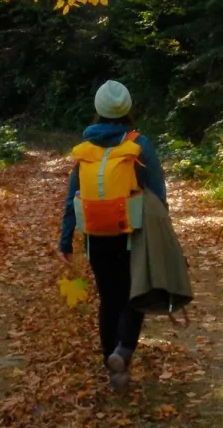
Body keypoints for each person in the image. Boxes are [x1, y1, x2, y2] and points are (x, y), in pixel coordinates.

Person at [59, 80, 167, 394]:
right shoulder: (139, 144)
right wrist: (165, 237)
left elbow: (71, 199)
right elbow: (157, 195)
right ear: (128, 110)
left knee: (109, 299)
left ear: (98, 110)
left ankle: (113, 368)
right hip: (132, 233)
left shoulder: (85, 149)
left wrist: (66, 241)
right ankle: (123, 353)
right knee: (135, 296)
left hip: (96, 236)